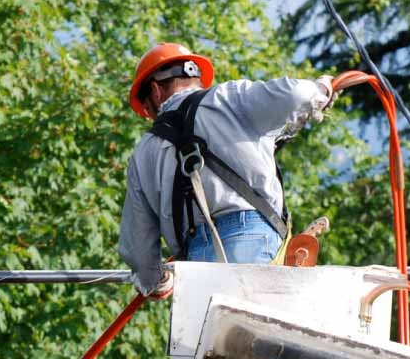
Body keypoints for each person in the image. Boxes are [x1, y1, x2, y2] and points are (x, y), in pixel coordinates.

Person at [117, 43, 338, 299]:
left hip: (195, 261)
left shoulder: (144, 152)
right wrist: (321, 89)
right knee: (260, 333)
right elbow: (298, 95)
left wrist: (154, 280)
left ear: (154, 91)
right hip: (253, 238)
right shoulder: (227, 98)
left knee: (209, 339)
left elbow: (136, 245)